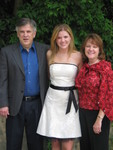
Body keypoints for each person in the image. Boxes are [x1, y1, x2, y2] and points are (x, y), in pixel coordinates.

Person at [0, 18, 49, 150]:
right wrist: (3, 103)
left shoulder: (45, 50)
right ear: (17, 34)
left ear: (34, 33)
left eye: (28, 31)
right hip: (15, 104)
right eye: (22, 32)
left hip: (37, 104)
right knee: (13, 143)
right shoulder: (6, 52)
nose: (25, 35)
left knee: (36, 144)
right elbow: (2, 79)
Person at [36, 24, 82, 150]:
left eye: (66, 37)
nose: (63, 40)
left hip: (70, 100)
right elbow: (48, 76)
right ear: (55, 40)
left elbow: (82, 80)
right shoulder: (49, 54)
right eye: (59, 37)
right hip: (53, 100)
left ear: (71, 37)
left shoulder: (78, 56)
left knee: (68, 143)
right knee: (55, 142)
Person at [75, 33, 113, 150]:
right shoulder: (84, 67)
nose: (91, 49)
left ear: (99, 50)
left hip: (98, 113)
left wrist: (99, 119)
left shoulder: (105, 68)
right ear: (84, 49)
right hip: (82, 113)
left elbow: (108, 94)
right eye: (88, 46)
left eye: (94, 47)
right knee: (85, 147)